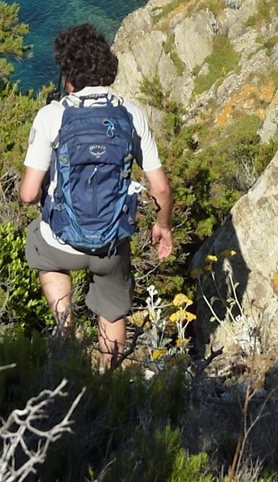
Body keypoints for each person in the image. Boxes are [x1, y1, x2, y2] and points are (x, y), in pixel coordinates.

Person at [18, 21, 174, 368]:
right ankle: (108, 377)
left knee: (41, 245)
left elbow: (28, 194)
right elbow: (161, 187)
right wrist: (163, 225)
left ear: (66, 74)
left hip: (60, 242)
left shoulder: (51, 115)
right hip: (109, 245)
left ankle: (66, 325)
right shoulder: (131, 114)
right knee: (113, 305)